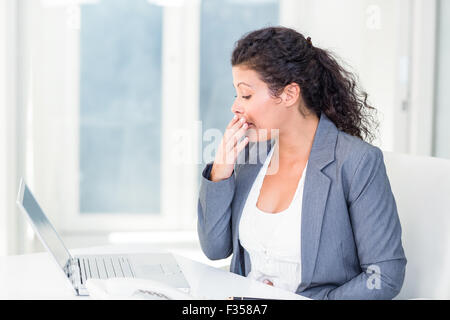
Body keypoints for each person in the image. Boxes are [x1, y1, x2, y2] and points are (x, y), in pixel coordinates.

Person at [197, 26, 406, 300]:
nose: (235, 106)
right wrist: (221, 171)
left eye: (246, 95)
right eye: (236, 94)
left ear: (289, 94)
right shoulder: (252, 156)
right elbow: (215, 250)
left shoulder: (356, 162)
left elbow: (384, 277)